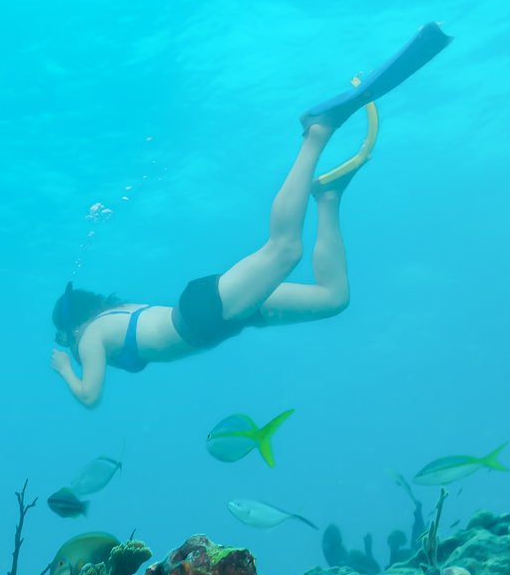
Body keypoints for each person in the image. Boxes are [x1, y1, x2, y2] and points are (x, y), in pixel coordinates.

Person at [49, 112, 369, 409]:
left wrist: (65, 368)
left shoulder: (91, 335)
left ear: (71, 326)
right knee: (333, 299)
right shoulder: (113, 315)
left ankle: (316, 135)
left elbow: (90, 397)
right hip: (216, 317)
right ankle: (328, 198)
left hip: (204, 316)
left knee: (284, 249)